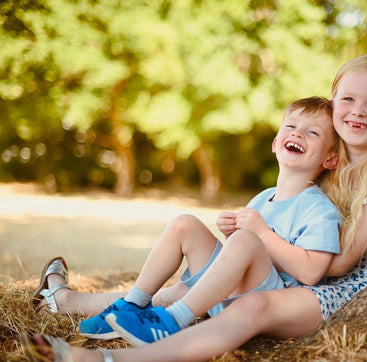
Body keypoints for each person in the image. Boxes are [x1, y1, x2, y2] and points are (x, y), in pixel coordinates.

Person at [22, 54, 367, 362]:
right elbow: (286, 222)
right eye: (349, 99)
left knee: (251, 305)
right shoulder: (325, 162)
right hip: (289, 269)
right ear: (333, 102)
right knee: (190, 279)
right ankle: (64, 301)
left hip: (337, 290)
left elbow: (337, 265)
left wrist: (257, 239)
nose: (358, 110)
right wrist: (241, 239)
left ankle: (110, 357)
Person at [29, 97, 342, 341]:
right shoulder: (264, 198)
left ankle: (172, 321)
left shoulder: (318, 208)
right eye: (290, 127)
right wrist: (232, 235)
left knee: (231, 251)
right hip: (238, 290)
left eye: (312, 132)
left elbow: (312, 273)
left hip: (267, 303)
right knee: (185, 224)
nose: (298, 133)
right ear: (276, 143)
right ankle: (133, 304)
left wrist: (256, 234)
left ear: (330, 159)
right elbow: (242, 255)